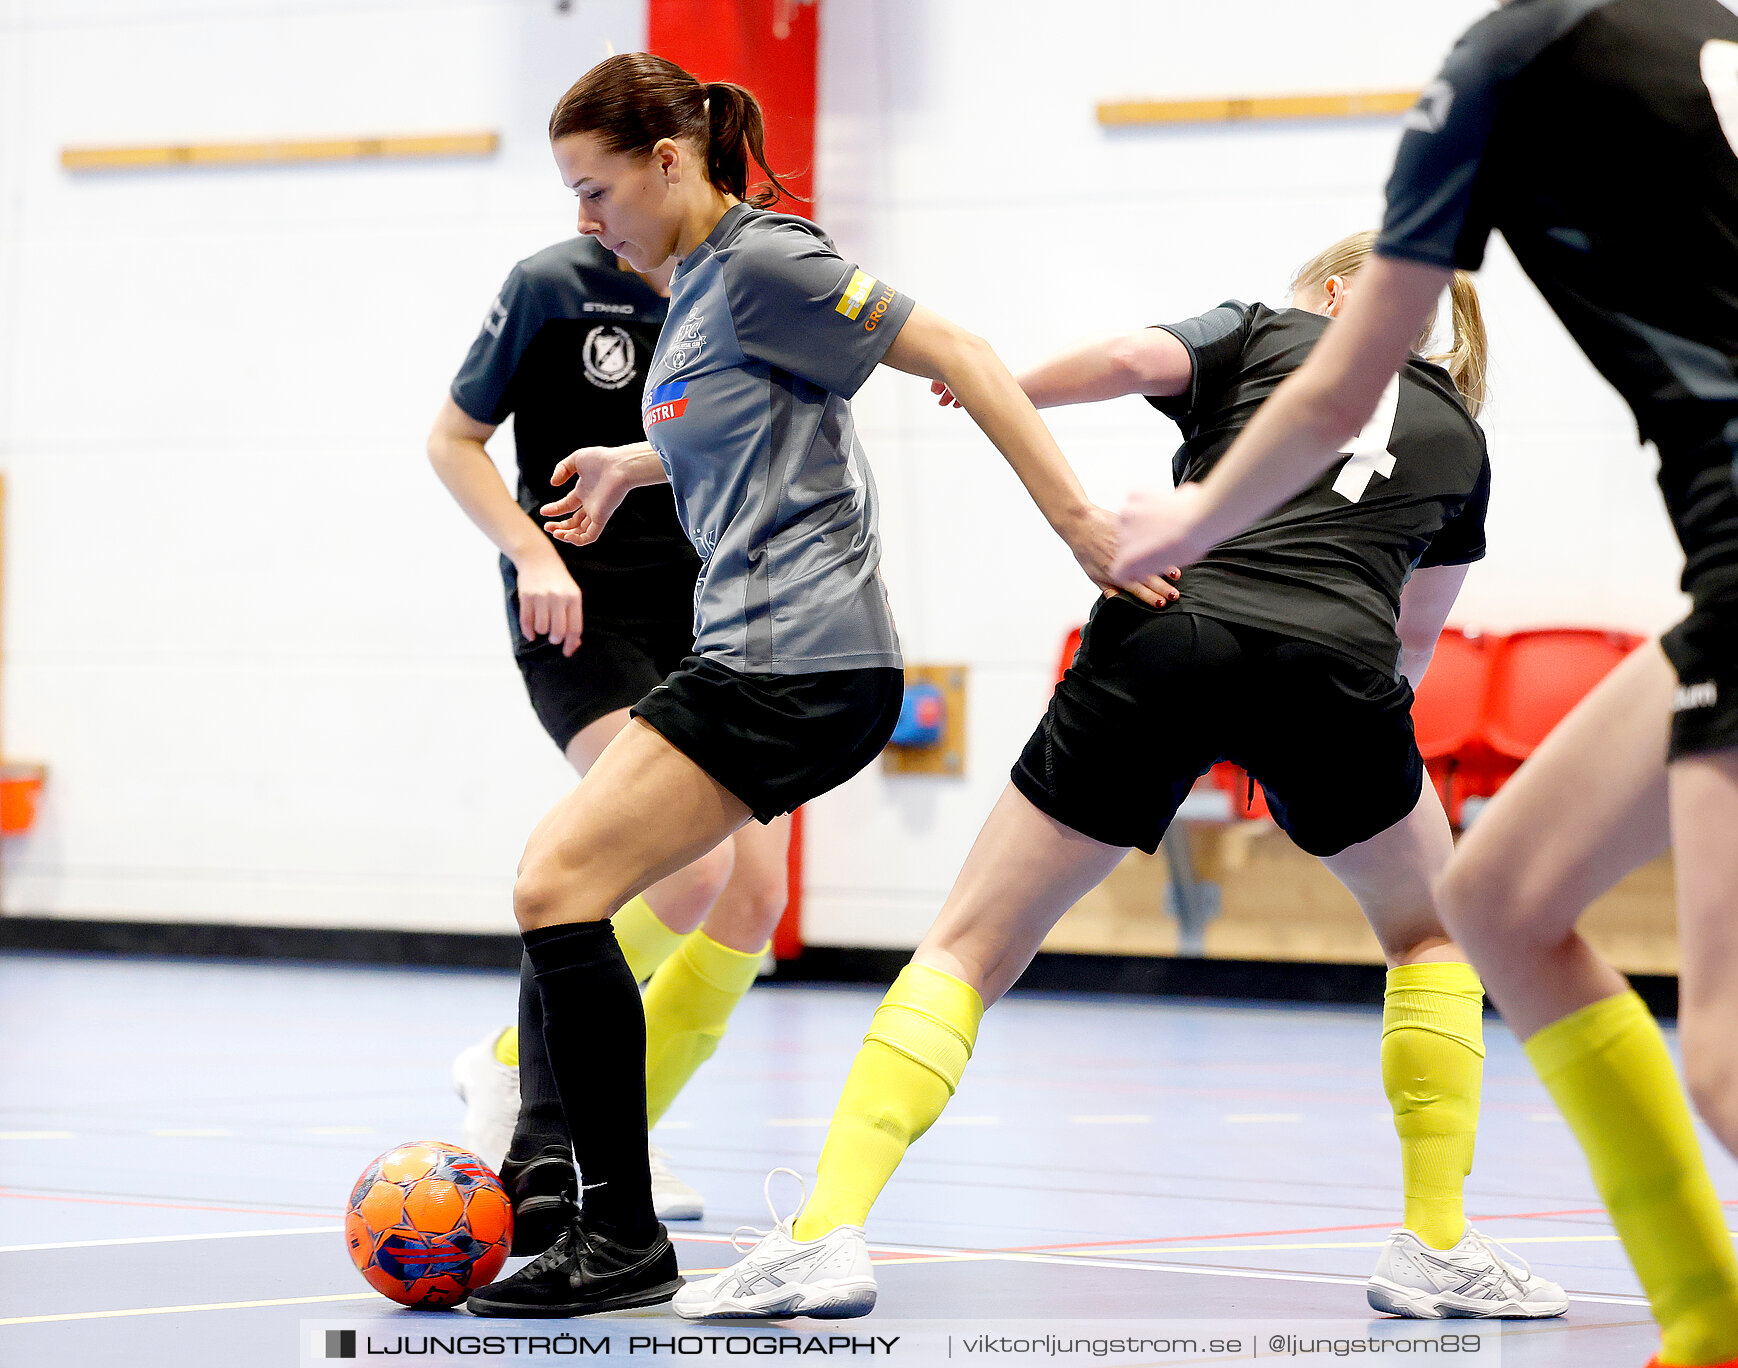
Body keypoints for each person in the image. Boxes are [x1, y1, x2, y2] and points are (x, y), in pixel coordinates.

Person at [675, 230, 1567, 1322]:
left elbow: (1126, 359)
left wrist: (1005, 385)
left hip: (1171, 627)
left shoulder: (1263, 331)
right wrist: (1328, 762)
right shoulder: (1462, 439)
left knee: (967, 944)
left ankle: (823, 1236)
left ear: (1334, 295)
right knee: (1433, 935)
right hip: (1338, 672)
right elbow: (1411, 646)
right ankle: (1435, 1243)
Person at [1111, 4, 1738, 1367]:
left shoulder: (1510, 58)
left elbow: (1336, 385)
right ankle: (1714, 1330)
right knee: (1492, 899)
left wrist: (1183, 529)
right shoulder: (1718, 30)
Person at [461, 51, 1177, 1319]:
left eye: (594, 190)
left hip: (799, 663)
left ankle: (594, 1213)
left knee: (554, 884)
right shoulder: (689, 289)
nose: (583, 220)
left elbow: (959, 348)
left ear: (668, 163)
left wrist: (1079, 525)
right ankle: (591, 1205)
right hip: (757, 658)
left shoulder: (764, 261)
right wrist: (636, 462)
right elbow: (741, 423)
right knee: (560, 883)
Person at [427, 235, 791, 1240]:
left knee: (755, 895)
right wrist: (530, 553)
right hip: (580, 609)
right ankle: (517, 1078)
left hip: (708, 611)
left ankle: (616, 1125)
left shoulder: (737, 285)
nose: (587, 207)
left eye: (600, 182)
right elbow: (451, 440)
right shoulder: (551, 285)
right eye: (576, 186)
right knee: (683, 866)